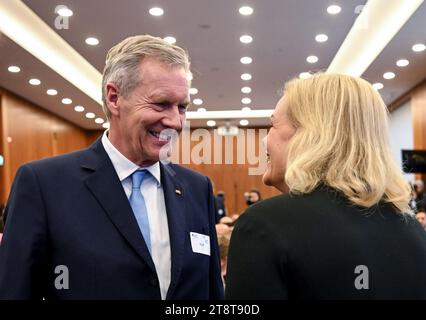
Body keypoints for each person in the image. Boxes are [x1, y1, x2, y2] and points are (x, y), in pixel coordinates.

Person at [0, 35, 223, 300]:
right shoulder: (43, 185)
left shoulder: (197, 188)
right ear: (115, 98)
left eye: (182, 107)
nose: (176, 121)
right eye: (161, 104)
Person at [226, 73, 426, 299]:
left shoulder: (263, 225)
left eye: (273, 125)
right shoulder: (413, 231)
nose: (264, 140)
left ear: (309, 135)